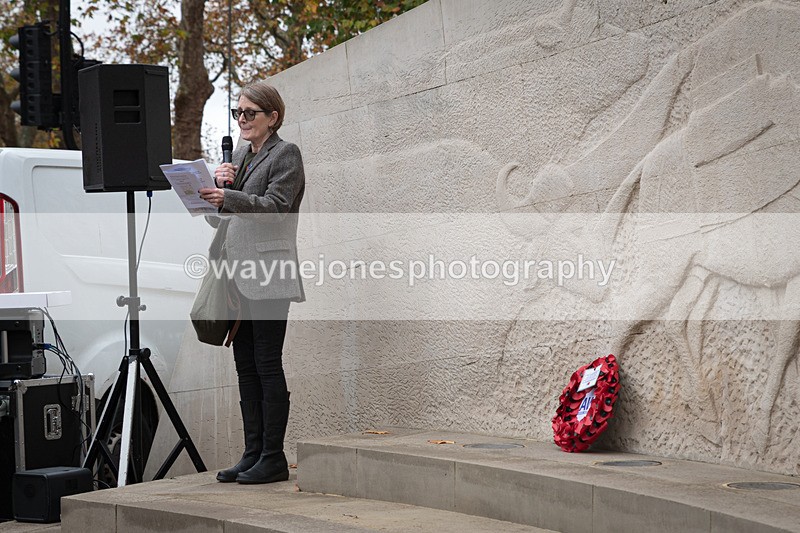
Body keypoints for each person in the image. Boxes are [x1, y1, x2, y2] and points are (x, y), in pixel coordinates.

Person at [199, 82, 305, 484]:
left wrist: (231, 198)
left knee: (266, 362)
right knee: (244, 366)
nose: (241, 120)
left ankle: (274, 458)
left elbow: (277, 209)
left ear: (272, 117)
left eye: (249, 113)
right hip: (236, 274)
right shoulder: (240, 156)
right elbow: (223, 219)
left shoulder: (286, 155)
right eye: (237, 113)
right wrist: (217, 192)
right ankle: (252, 453)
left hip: (270, 274)